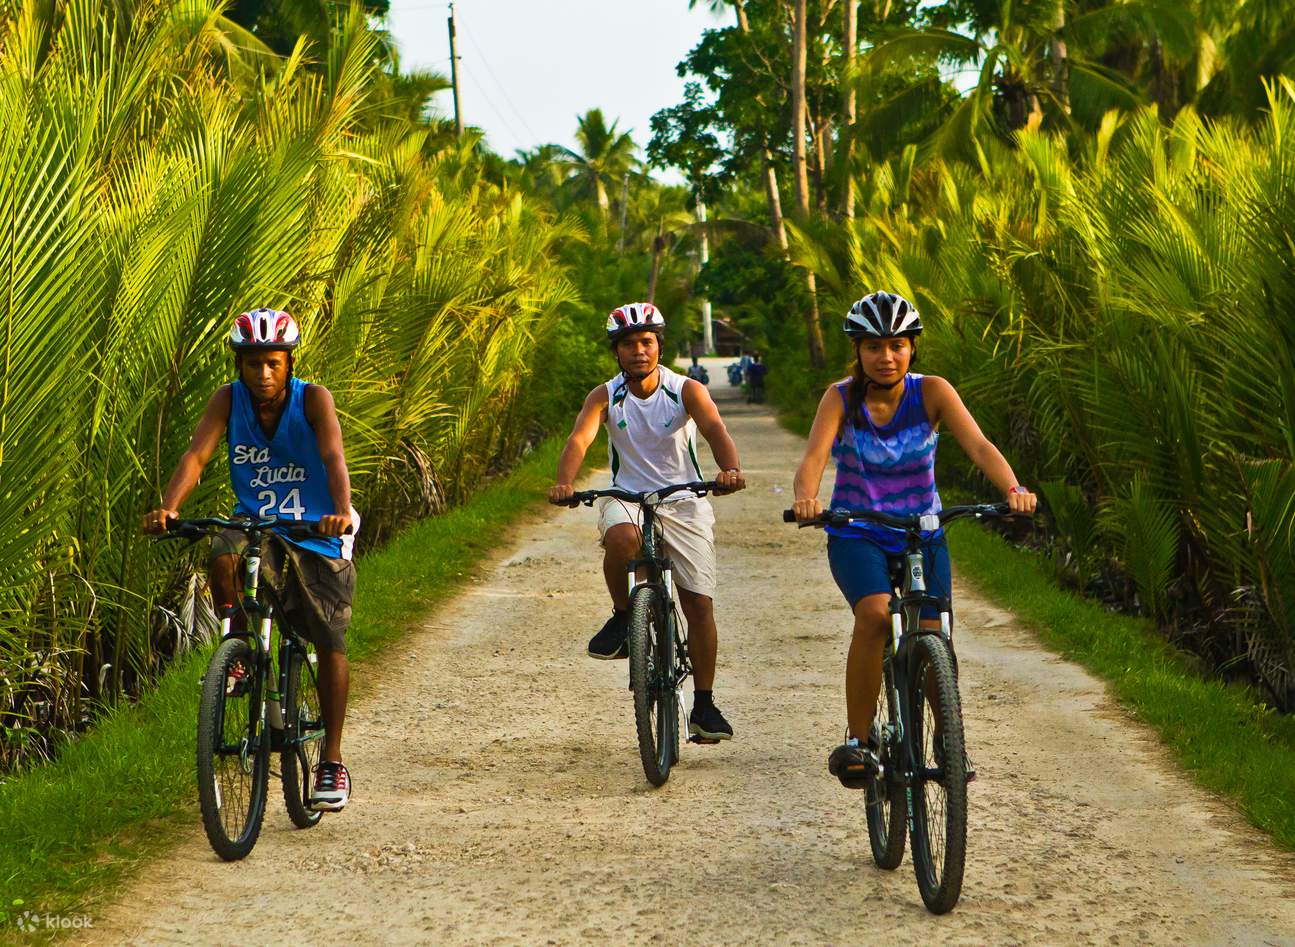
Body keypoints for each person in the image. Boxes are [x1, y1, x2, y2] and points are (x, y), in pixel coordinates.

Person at [790, 291, 1036, 786]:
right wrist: (807, 497)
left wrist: (1012, 488)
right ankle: (859, 741)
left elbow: (980, 445)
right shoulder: (839, 398)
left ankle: (948, 738)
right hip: (858, 530)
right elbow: (815, 456)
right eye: (874, 346)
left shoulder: (933, 393)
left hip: (923, 531)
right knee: (876, 616)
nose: (886, 357)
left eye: (897, 345)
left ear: (912, 348)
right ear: (857, 351)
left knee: (934, 632)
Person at [143, 308, 359, 812]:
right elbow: (196, 457)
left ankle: (331, 759)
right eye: (253, 364)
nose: (263, 374)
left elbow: (333, 458)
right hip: (256, 522)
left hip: (315, 529)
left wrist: (341, 512)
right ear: (239, 365)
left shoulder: (314, 399)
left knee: (328, 637)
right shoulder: (228, 400)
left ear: (290, 364)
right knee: (223, 553)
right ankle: (237, 645)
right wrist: (170, 509)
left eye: (273, 364)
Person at [549, 302, 746, 742]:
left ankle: (705, 704)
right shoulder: (605, 395)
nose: (638, 351)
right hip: (628, 497)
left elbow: (714, 429)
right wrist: (564, 483)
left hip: (685, 499)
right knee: (621, 539)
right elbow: (580, 437)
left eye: (646, 342)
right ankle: (624, 616)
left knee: (699, 605)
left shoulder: (686, 390)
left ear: (659, 345)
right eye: (628, 344)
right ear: (616, 352)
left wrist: (729, 468)